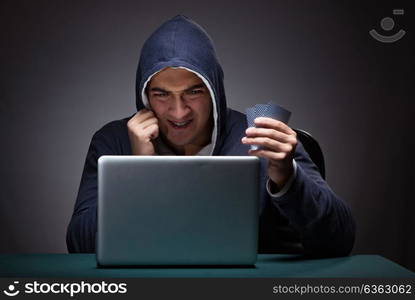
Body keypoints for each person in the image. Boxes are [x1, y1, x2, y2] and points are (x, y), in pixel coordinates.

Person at [66, 15, 355, 257]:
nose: (179, 112)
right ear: (144, 96)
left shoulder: (260, 133)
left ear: (214, 90)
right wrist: (139, 172)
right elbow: (80, 246)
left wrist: (287, 177)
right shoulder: (114, 140)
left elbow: (341, 239)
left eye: (194, 91)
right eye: (161, 94)